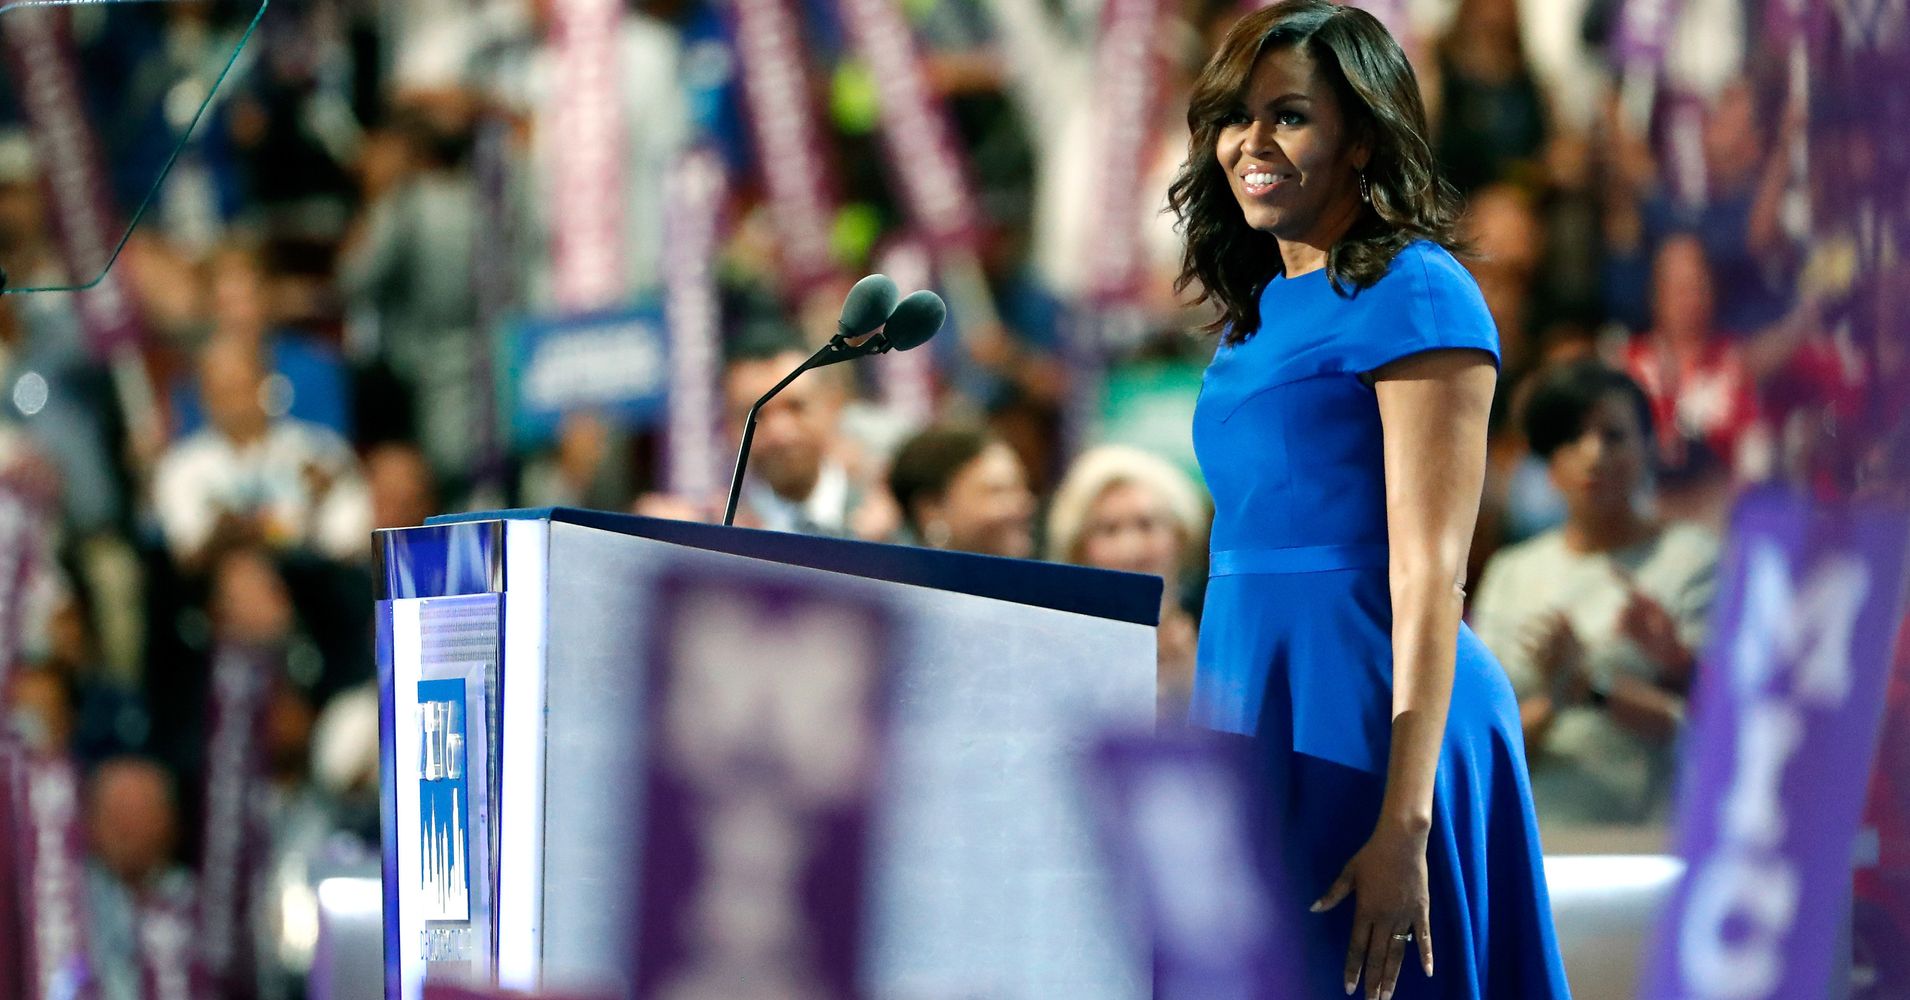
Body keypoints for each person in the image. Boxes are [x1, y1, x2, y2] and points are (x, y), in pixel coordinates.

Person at [1165, 4, 1569, 997]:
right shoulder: (1252, 313)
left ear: (1359, 138)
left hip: (1374, 722)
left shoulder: (1417, 292)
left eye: (1287, 116)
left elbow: (1430, 570)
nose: (1250, 143)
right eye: (1233, 117)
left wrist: (1403, 821)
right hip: (1255, 698)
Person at [1470, 361, 1717, 827]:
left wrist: (1599, 686)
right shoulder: (1512, 573)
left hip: (1654, 843)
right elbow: (1483, 746)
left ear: (1650, 445)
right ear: (1547, 464)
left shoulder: (1691, 559)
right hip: (1538, 842)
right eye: (1570, 439)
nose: (1593, 455)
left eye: (1613, 435)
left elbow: (1722, 723)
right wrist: (1559, 697)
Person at [151, 338, 372, 569]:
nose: (234, 402)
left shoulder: (321, 449)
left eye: (242, 386)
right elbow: (189, 557)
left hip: (318, 582)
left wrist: (306, 520)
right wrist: (231, 536)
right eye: (222, 390)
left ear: (267, 384)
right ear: (203, 397)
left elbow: (349, 542)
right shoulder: (181, 467)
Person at [1045, 445, 1207, 721]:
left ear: (1180, 537)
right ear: (1078, 551)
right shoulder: (1052, 658)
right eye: (1109, 529)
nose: (1131, 549)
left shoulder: (1220, 641)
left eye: (1146, 524)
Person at [886, 425, 1035, 559]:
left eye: (1023, 488)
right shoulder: (891, 586)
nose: (1026, 504)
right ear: (932, 508)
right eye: (997, 491)